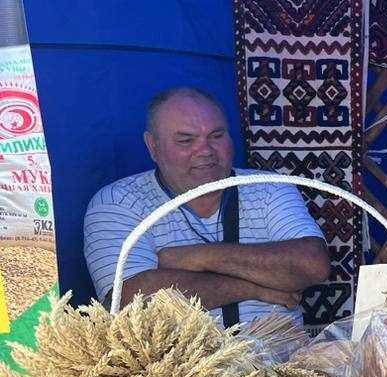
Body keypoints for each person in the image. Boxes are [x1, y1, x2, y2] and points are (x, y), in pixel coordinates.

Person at [83, 86, 330, 325]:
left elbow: (312, 264)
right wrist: (255, 287)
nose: (205, 150)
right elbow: (133, 299)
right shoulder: (119, 201)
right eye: (186, 140)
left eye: (216, 136)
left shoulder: (270, 188)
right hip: (175, 366)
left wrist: (196, 256)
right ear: (153, 146)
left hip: (283, 362)